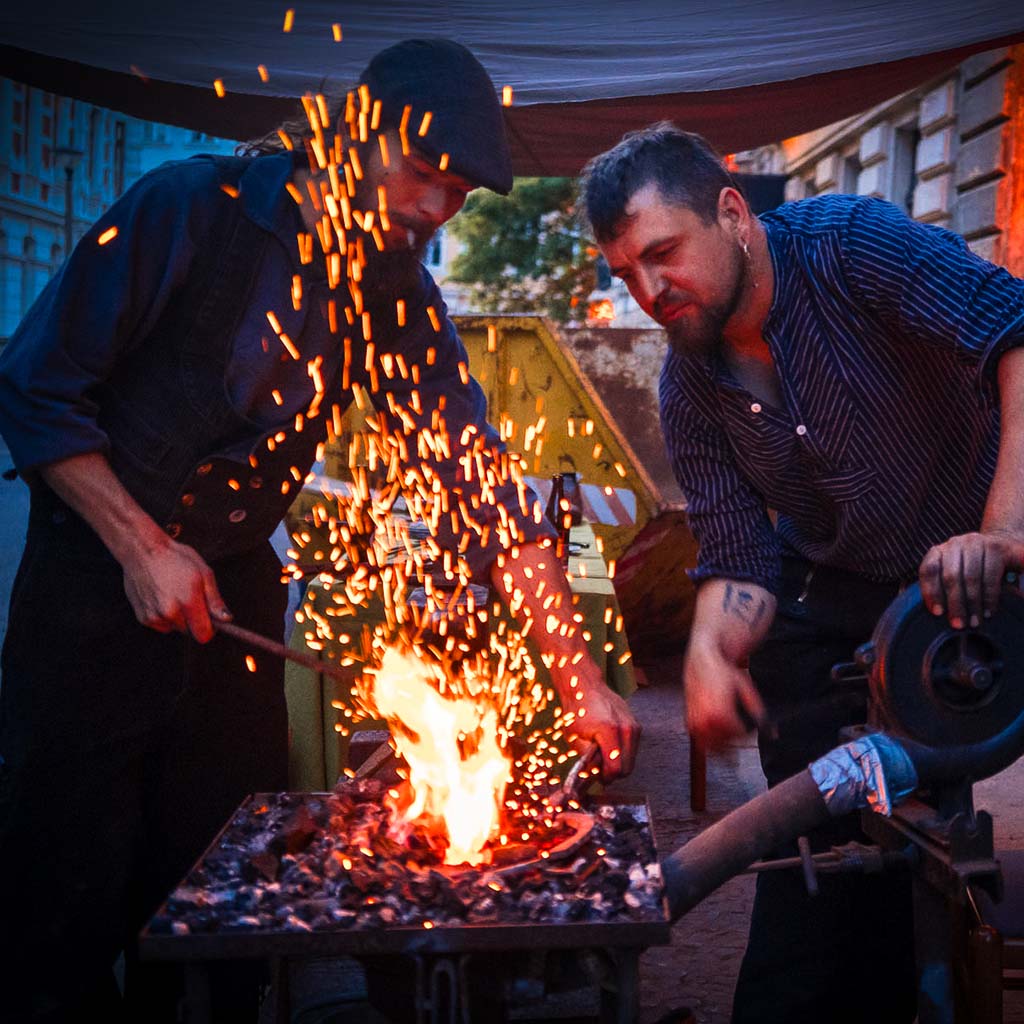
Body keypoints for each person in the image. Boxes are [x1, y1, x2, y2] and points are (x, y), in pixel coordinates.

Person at [0, 39, 639, 1023]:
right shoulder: (186, 211)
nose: (434, 208)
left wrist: (578, 676)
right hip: (92, 581)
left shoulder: (396, 300)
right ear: (352, 141)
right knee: (67, 903)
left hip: (231, 591)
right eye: (421, 175)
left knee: (230, 889)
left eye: (457, 193)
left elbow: (487, 498)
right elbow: (36, 387)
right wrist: (139, 546)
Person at [581, 122, 1024, 1023]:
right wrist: (710, 652)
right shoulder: (688, 385)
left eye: (663, 253)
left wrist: (1003, 532)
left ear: (734, 213)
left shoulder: (855, 248)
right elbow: (740, 555)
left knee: (928, 854)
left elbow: (1016, 330)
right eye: (627, 273)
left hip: (977, 579)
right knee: (813, 869)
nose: (650, 291)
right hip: (837, 594)